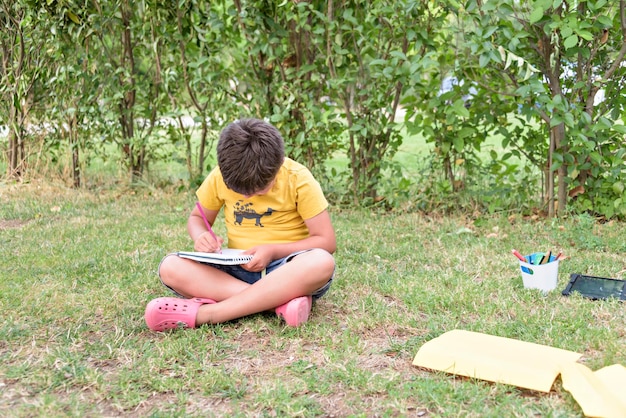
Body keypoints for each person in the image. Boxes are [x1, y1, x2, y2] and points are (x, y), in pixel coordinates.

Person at [144, 118, 336, 331]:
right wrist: (200, 236)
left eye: (259, 189)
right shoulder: (219, 176)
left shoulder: (298, 179)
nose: (248, 196)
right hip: (234, 270)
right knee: (170, 266)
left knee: (321, 261)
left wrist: (273, 251)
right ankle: (278, 305)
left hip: (285, 270)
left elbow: (326, 241)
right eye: (240, 192)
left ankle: (210, 314)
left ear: (279, 163)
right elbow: (198, 219)